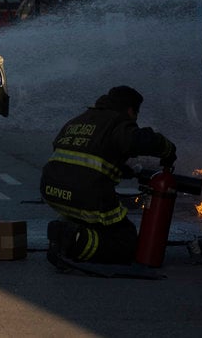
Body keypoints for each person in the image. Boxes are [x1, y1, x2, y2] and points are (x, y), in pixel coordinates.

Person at [41, 85, 178, 268]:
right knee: (125, 241)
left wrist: (120, 169)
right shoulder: (118, 122)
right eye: (136, 113)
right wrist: (168, 149)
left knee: (91, 223)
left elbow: (83, 156)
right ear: (130, 110)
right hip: (84, 196)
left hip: (52, 192)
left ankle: (65, 232)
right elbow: (139, 140)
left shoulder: (80, 120)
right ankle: (73, 243)